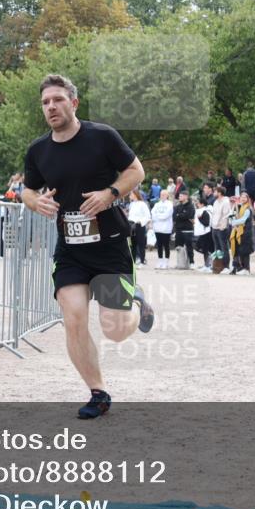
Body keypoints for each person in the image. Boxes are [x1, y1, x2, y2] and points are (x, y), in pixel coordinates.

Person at [20, 74, 153, 420]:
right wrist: (36, 202)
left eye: (58, 100)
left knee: (115, 329)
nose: (51, 106)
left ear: (73, 103)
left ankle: (138, 305)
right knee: (74, 318)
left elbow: (136, 171)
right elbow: (27, 190)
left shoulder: (101, 136)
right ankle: (98, 392)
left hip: (109, 247)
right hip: (71, 250)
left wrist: (110, 194)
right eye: (46, 102)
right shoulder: (38, 150)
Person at [229, 192, 253, 275]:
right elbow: (232, 215)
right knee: (236, 250)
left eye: (244, 197)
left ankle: (246, 269)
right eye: (241, 197)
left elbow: (243, 220)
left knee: (244, 251)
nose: (243, 199)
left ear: (247, 199)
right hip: (237, 231)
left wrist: (233, 222)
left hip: (245, 232)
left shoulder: (248, 209)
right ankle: (237, 268)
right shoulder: (239, 207)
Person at [209, 186, 233, 269]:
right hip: (214, 227)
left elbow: (226, 215)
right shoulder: (215, 202)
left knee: (224, 247)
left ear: (219, 193)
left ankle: (226, 266)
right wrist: (213, 225)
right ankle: (218, 265)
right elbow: (214, 214)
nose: (213, 193)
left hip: (222, 228)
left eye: (215, 191)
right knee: (217, 248)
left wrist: (222, 227)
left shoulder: (226, 202)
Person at [151, 189, 174, 269]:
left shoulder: (170, 204)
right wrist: (158, 217)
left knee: (166, 245)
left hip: (166, 228)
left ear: (167, 195)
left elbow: (166, 215)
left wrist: (158, 217)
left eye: (164, 194)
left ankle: (166, 262)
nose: (162, 196)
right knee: (159, 245)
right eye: (161, 194)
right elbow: (153, 213)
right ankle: (160, 260)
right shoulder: (157, 204)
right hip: (157, 228)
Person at [172, 189, 196, 268]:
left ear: (186, 197)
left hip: (187, 229)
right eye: (179, 196)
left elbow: (189, 216)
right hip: (178, 229)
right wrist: (181, 215)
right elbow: (174, 217)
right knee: (179, 247)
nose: (179, 197)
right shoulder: (177, 206)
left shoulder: (191, 206)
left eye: (181, 196)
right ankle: (180, 263)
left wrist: (180, 215)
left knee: (189, 247)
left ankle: (192, 262)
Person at [127, 189, 151, 266]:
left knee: (141, 244)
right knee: (132, 245)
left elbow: (148, 216)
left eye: (131, 194)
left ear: (135, 194)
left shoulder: (142, 204)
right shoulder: (131, 204)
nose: (129, 196)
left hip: (139, 226)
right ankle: (133, 262)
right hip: (131, 226)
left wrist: (140, 222)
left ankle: (142, 261)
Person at [193, 196, 213, 272]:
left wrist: (199, 218)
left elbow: (206, 223)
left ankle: (208, 265)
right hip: (203, 233)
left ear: (202, 204)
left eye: (198, 203)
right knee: (203, 249)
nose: (197, 205)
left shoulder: (205, 212)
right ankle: (207, 265)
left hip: (206, 233)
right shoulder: (201, 211)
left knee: (205, 249)